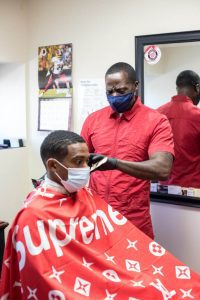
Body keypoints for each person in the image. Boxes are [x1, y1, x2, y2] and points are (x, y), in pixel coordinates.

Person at [1, 130, 200, 299]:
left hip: (112, 273)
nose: (85, 169)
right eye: (78, 162)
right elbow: (44, 276)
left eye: (87, 161)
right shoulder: (33, 215)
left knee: (175, 285)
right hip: (80, 287)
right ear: (53, 166)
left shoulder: (84, 194)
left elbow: (114, 244)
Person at [81, 62, 174, 239]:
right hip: (97, 214)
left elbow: (162, 169)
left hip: (133, 218)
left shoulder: (156, 121)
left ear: (135, 86)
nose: (115, 96)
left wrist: (115, 164)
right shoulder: (93, 120)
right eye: (110, 92)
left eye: (121, 91)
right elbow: (77, 160)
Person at [157, 70, 200, 188]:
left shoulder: (157, 113)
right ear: (197, 87)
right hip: (193, 193)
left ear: (177, 88)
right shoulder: (198, 116)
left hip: (163, 192)